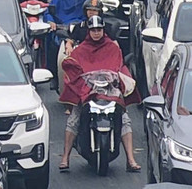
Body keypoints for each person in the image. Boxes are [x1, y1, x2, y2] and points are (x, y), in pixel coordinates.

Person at [58, 16, 142, 172]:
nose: (96, 33)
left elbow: (119, 67)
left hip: (110, 91)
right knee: (73, 120)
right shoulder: (80, 50)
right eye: (93, 30)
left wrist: (123, 80)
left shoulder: (113, 48)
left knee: (125, 119)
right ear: (88, 32)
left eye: (99, 30)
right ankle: (65, 157)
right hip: (87, 91)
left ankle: (130, 159)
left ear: (103, 30)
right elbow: (73, 67)